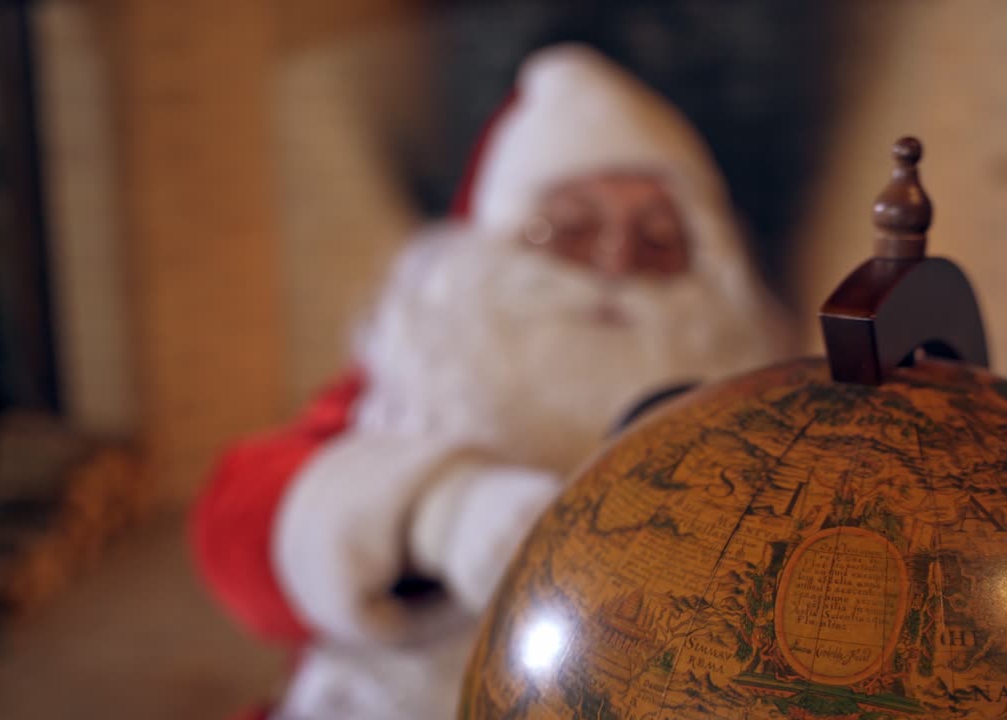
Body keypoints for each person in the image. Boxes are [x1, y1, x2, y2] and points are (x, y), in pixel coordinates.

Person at [192, 44, 795, 719]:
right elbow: (237, 526)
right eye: (572, 227)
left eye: (657, 235)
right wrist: (438, 513)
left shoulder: (765, 406)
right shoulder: (415, 368)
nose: (615, 258)